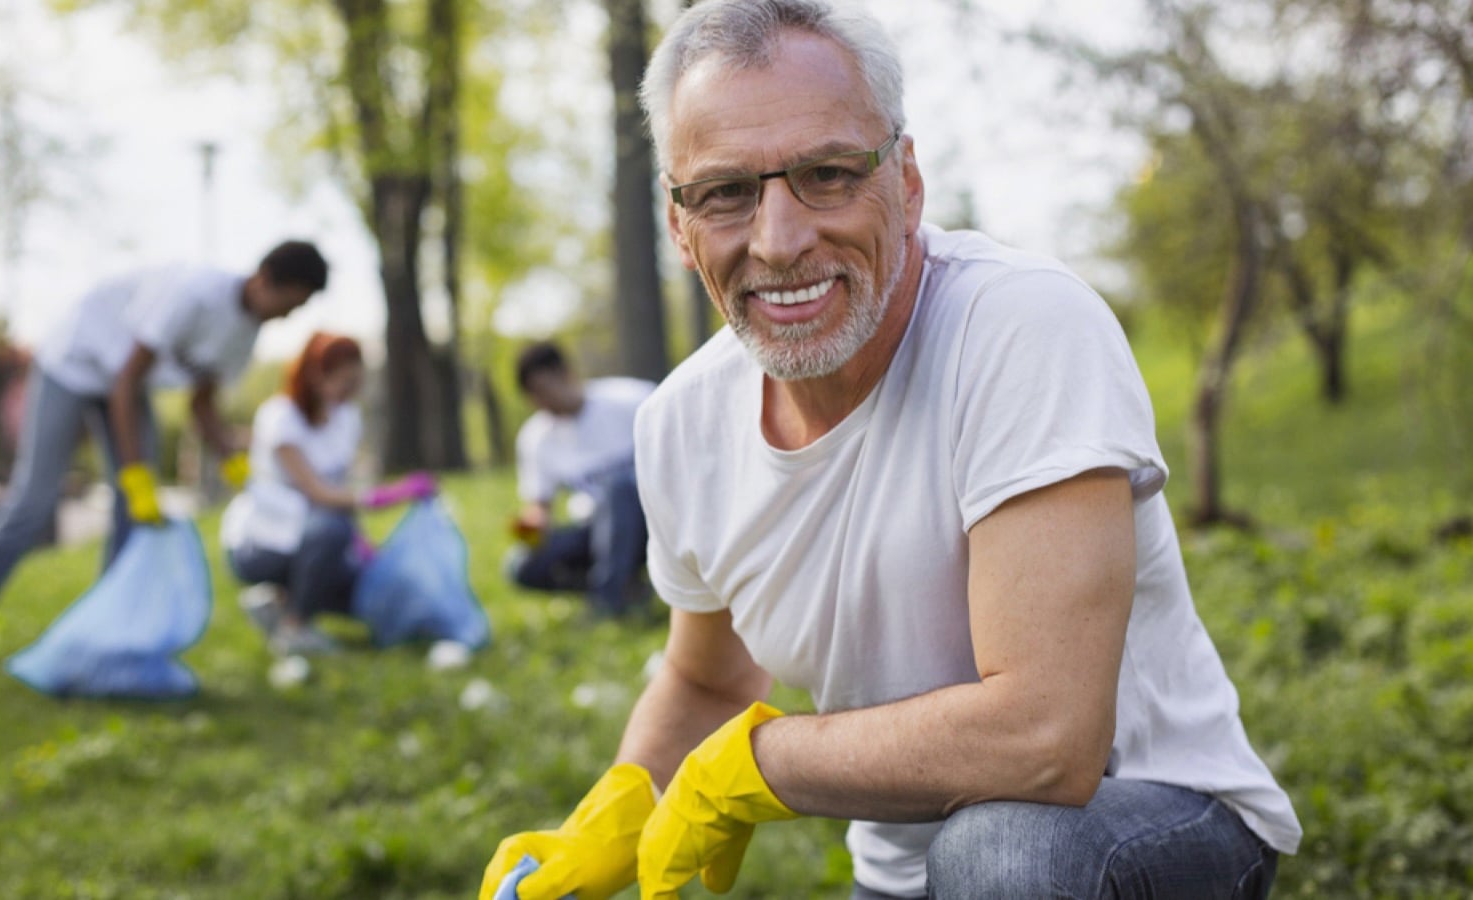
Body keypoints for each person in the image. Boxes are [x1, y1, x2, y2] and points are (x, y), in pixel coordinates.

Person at [480, 2, 1302, 899]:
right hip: (908, 877)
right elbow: (704, 679)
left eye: (829, 174)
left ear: (906, 182)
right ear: (680, 226)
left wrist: (759, 763)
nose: (781, 240)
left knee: (1001, 853)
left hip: (1156, 821)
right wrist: (616, 814)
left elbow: (1048, 740)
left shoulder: (1020, 328)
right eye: (725, 192)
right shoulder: (678, 426)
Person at [0, 240, 329, 706]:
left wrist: (231, 459)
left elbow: (202, 401)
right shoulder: (195, 294)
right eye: (291, 303)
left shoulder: (246, 331)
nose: (289, 316)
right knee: (32, 503)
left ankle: (102, 648)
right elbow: (126, 382)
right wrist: (135, 478)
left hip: (125, 383)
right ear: (266, 279)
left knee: (132, 520)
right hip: (72, 365)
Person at [221, 331, 433, 656]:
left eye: (356, 384)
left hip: (317, 538)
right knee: (333, 529)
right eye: (344, 383)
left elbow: (339, 488)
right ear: (315, 375)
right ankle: (294, 628)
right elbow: (317, 493)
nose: (350, 392)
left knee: (362, 591)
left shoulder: (345, 417)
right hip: (262, 542)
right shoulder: (280, 418)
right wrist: (386, 496)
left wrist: (361, 545)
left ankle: (274, 602)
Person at [506, 341, 656, 618]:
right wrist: (532, 525)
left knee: (618, 487)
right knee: (520, 565)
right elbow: (540, 505)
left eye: (544, 390)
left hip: (654, 519)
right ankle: (626, 587)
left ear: (565, 374)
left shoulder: (632, 400)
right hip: (595, 527)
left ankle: (609, 602)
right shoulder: (536, 438)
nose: (541, 402)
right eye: (532, 395)